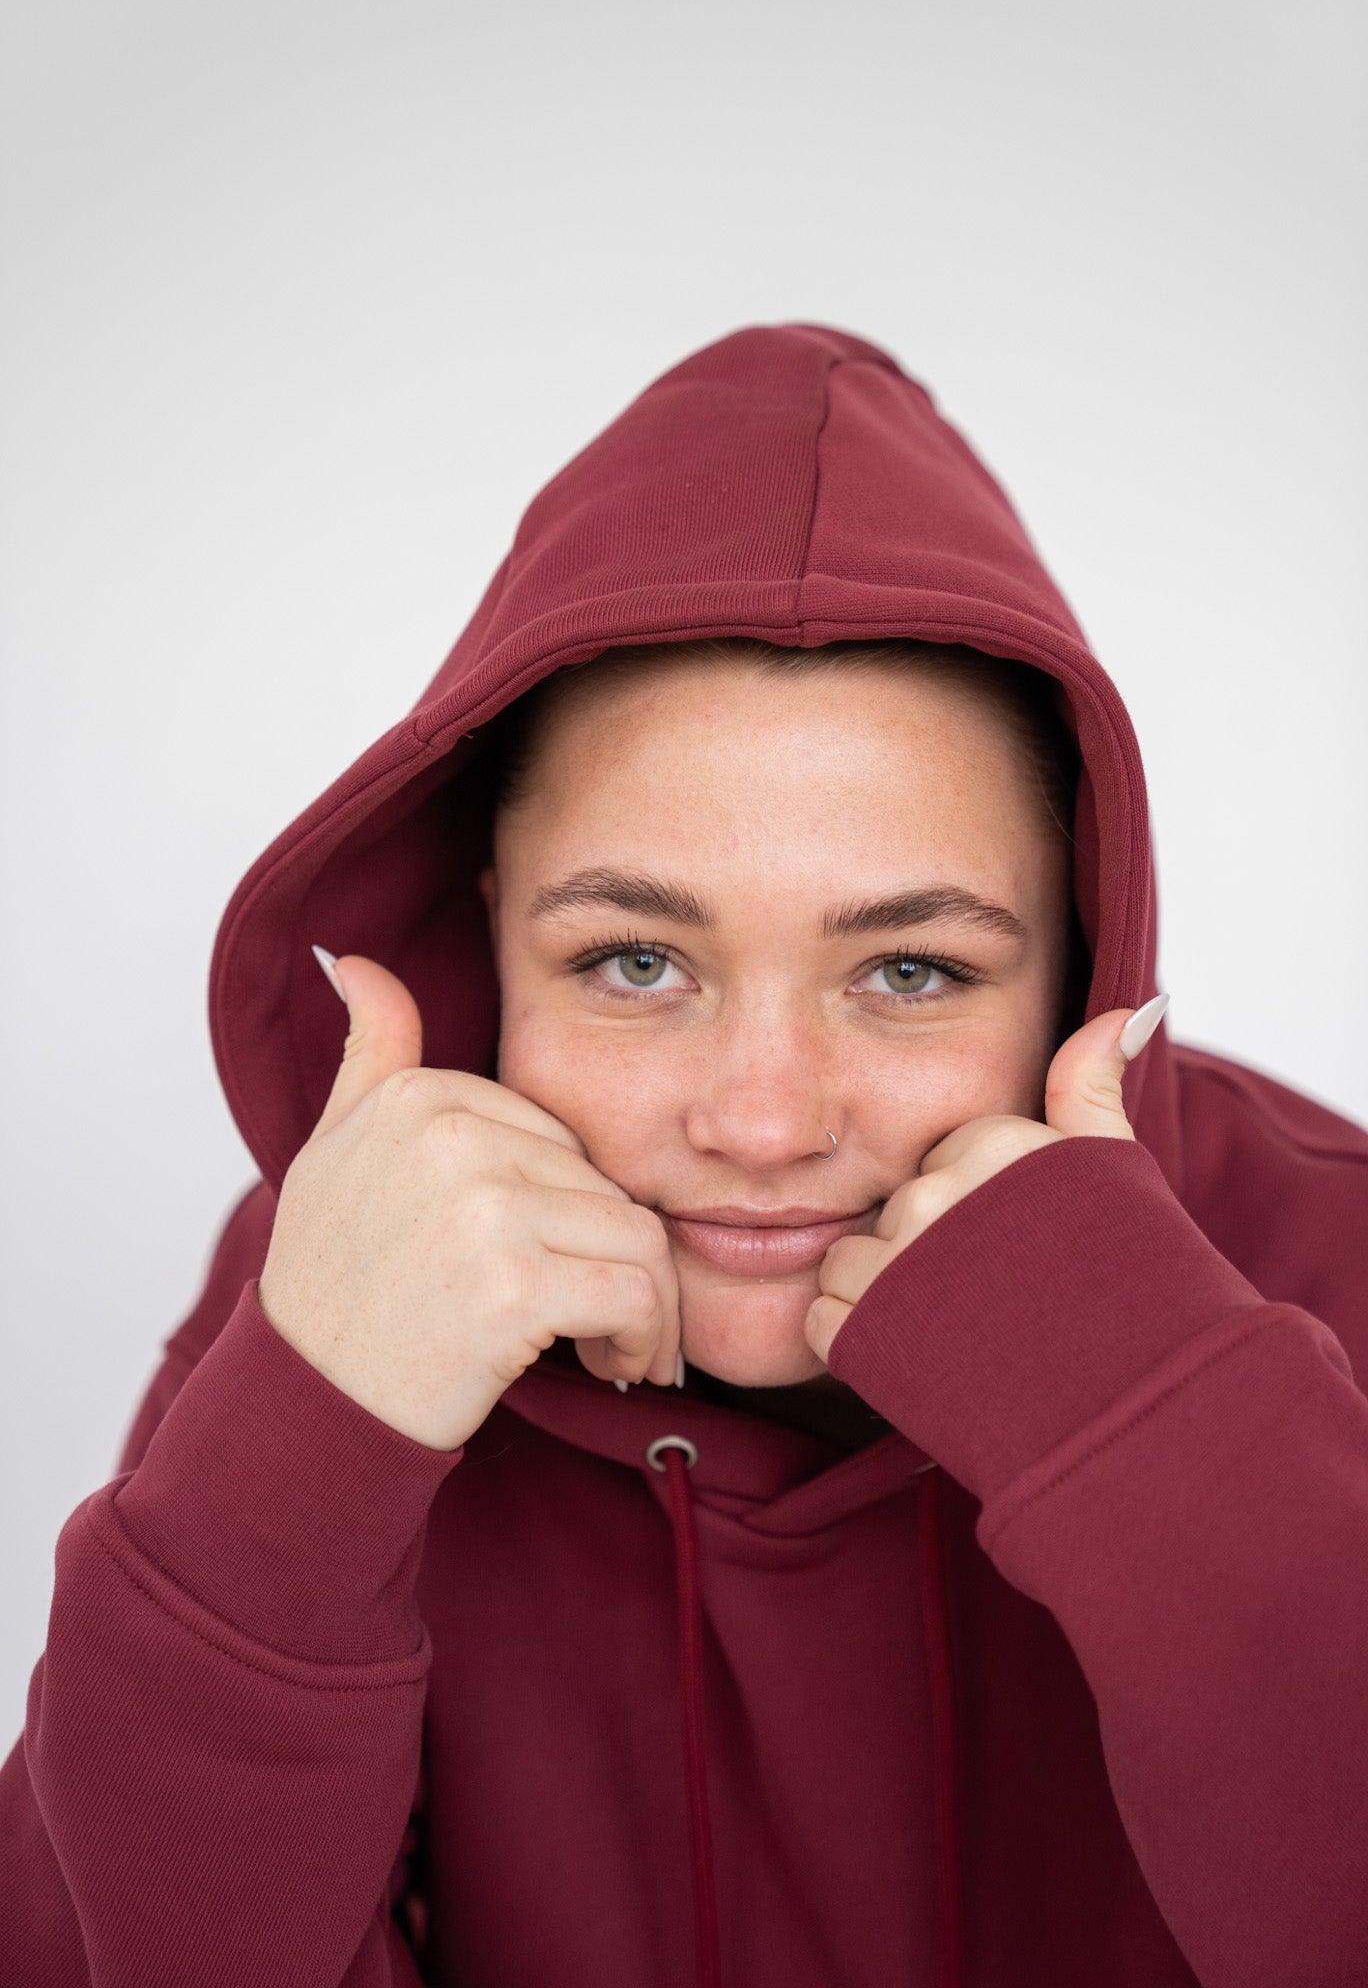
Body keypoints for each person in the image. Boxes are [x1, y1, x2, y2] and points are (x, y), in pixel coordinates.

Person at [3, 323, 1365, 1988]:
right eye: (636, 963)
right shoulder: (341, 1288)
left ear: (1082, 960)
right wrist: (298, 1451)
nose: (766, 1122)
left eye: (912, 969)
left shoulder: (1327, 1251)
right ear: (484, 934)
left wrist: (1157, 1410)